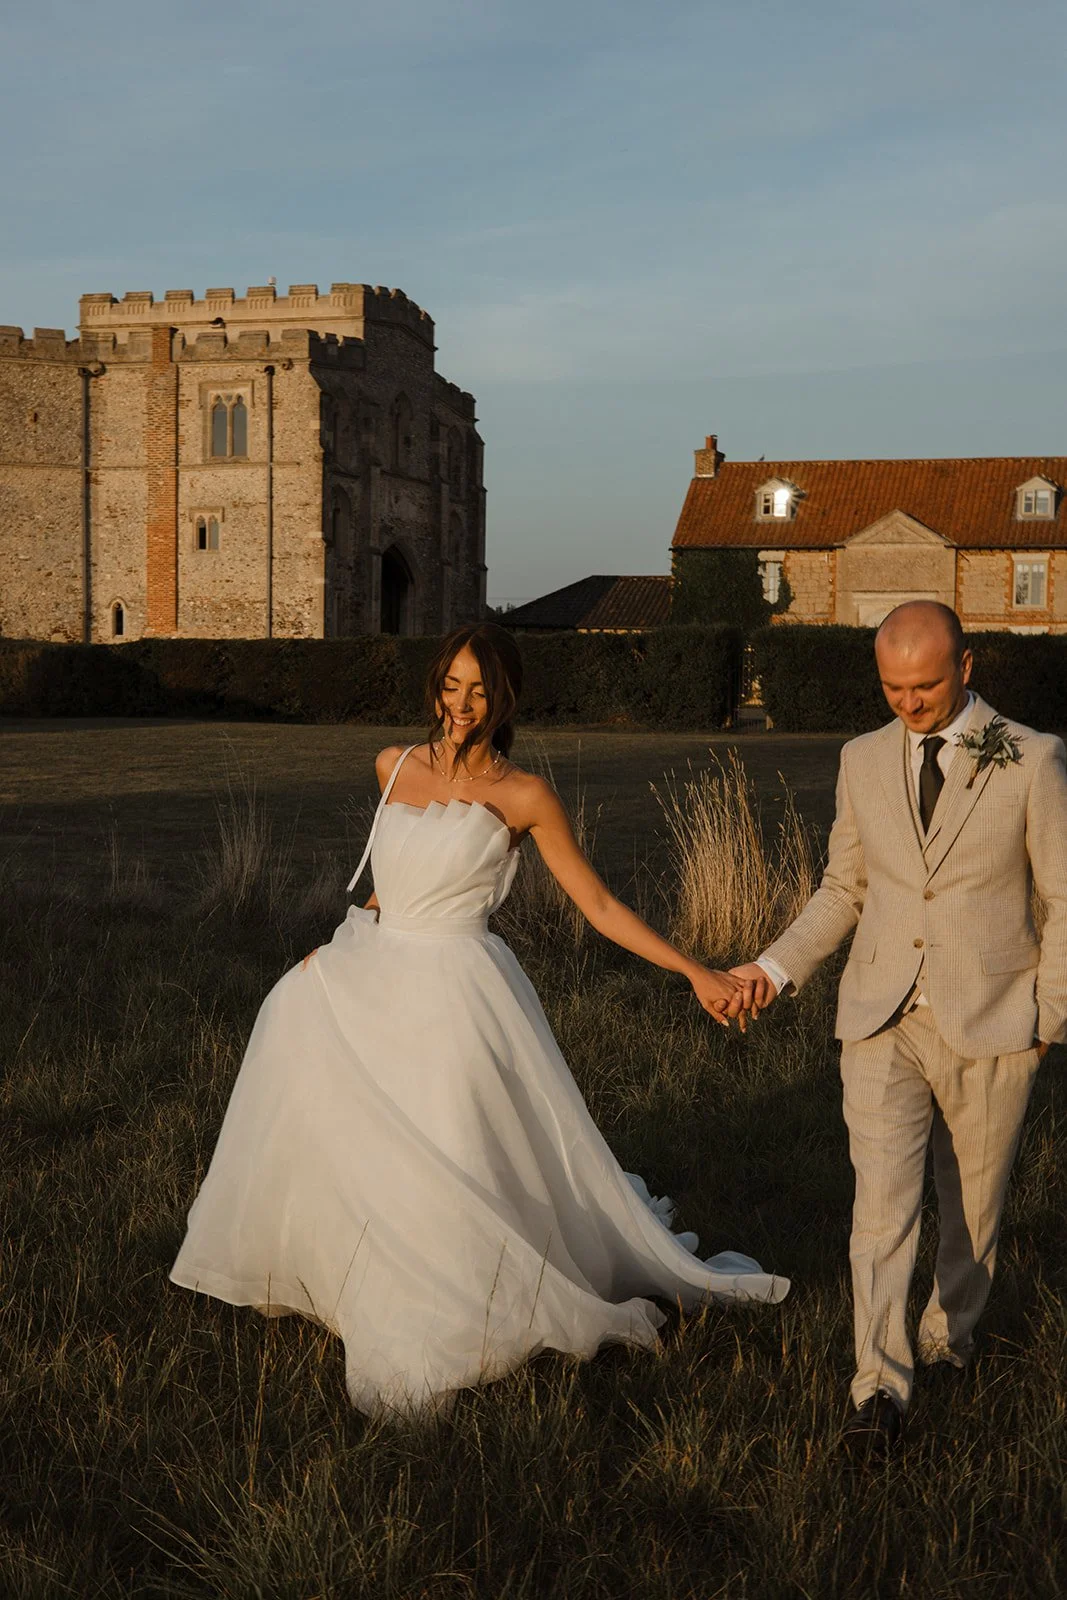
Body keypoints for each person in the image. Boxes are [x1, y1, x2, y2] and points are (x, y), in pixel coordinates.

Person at [171, 622, 788, 1415]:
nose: (461, 704)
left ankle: (458, 1291)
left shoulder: (523, 795)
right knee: (305, 1052)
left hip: (459, 986)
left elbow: (597, 905)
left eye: (479, 691)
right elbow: (389, 891)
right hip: (374, 964)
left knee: (449, 1137)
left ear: (503, 701)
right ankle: (347, 1269)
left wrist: (694, 971)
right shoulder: (392, 766)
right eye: (451, 686)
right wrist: (330, 952)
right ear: (436, 687)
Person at [731, 601, 1067, 1459]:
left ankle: (945, 1337)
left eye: (923, 686)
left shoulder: (1032, 758)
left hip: (993, 1020)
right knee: (879, 1212)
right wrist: (770, 969)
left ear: (966, 665)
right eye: (891, 686)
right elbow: (844, 888)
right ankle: (875, 1388)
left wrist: (1047, 1020)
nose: (907, 704)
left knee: (971, 1215)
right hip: (878, 1017)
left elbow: (1064, 899)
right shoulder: (859, 759)